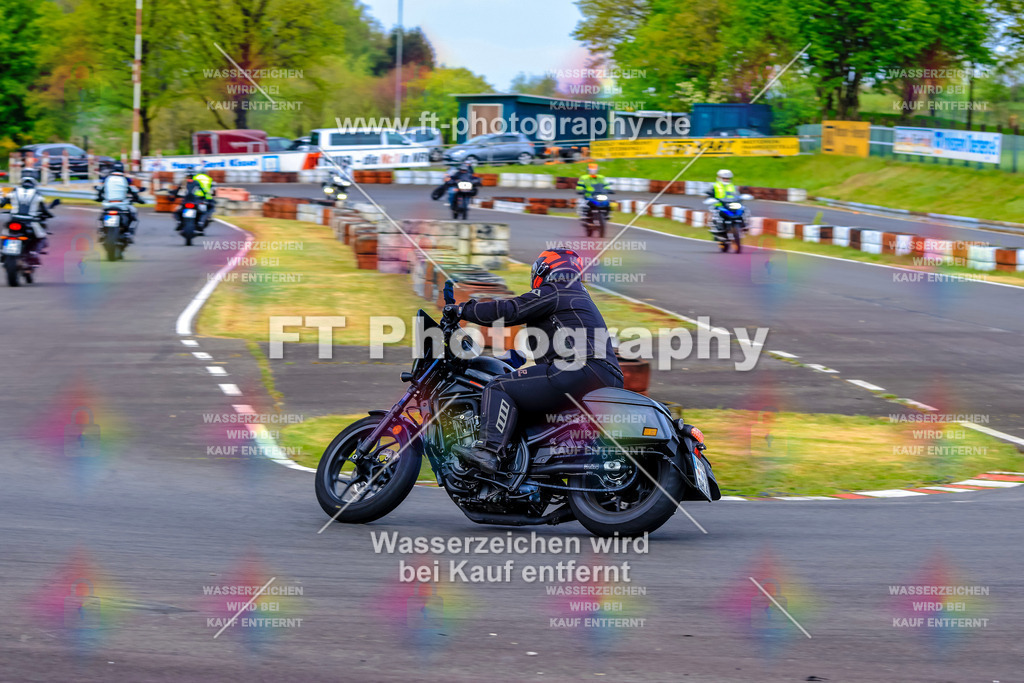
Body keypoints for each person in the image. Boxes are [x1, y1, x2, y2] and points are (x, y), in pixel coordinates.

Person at [448, 248, 624, 474]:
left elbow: (510, 310)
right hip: (605, 375)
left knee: (499, 387)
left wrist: (463, 310)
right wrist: (511, 360)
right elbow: (539, 349)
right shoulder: (577, 298)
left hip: (580, 368)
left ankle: (489, 452)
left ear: (543, 270)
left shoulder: (558, 290)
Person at [3, 177, 53, 254]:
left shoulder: (14, 191)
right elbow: (44, 209)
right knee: (41, 236)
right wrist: (49, 215)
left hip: (14, 219)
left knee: (5, 234)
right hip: (30, 220)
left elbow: (3, 203)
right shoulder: (36, 193)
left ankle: (2, 249)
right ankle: (34, 252)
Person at [96, 161, 143, 241]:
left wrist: (99, 198)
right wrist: (139, 199)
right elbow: (133, 191)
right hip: (122, 205)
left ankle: (101, 232)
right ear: (122, 169)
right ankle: (129, 233)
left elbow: (100, 190)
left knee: (100, 218)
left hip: (108, 204)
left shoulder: (107, 178)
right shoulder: (126, 179)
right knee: (134, 216)